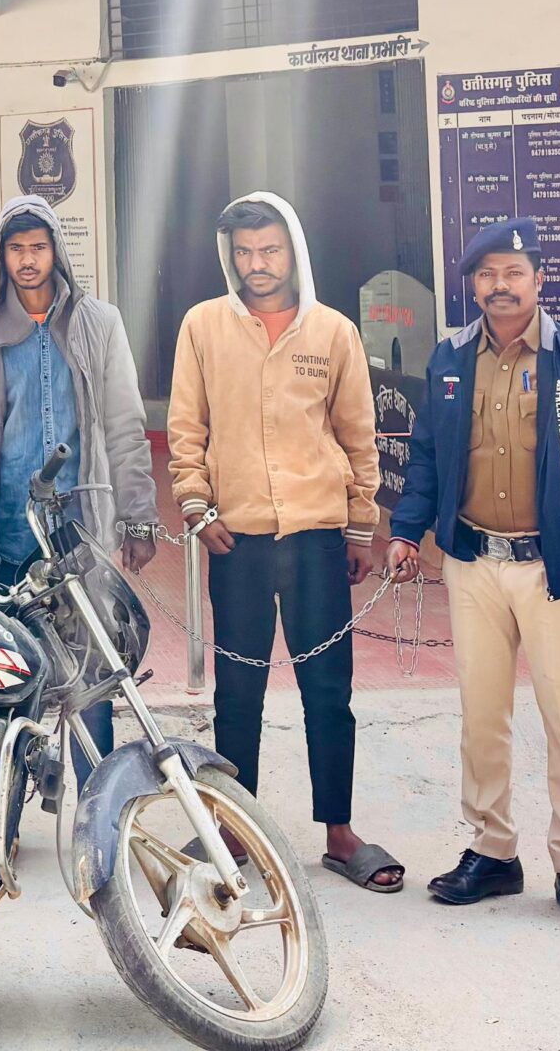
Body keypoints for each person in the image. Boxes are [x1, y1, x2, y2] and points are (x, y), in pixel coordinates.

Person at [387, 217, 560, 941]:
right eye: (487, 274)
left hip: (552, 571)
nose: (500, 286)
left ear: (539, 280)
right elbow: (427, 457)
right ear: (473, 284)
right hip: (472, 564)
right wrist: (406, 530)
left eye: (514, 273)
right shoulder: (450, 359)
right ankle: (493, 850)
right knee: (482, 717)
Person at [169, 193, 401, 893]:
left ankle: (339, 832)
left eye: (269, 250)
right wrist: (196, 506)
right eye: (244, 252)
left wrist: (360, 524)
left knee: (328, 690)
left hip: (316, 539)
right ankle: (233, 831)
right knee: (237, 691)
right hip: (235, 539)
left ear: (293, 252)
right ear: (229, 257)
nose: (257, 264)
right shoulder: (203, 327)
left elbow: (359, 435)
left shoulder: (332, 332)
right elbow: (187, 428)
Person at [0, 195, 159, 761]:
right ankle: (6, 810)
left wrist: (138, 517)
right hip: (8, 537)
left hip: (82, 535)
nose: (28, 259)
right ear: (2, 256)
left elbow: (125, 426)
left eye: (37, 247)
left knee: (94, 680)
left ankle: (96, 801)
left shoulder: (98, 323)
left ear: (56, 251)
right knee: (6, 687)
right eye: (16, 248)